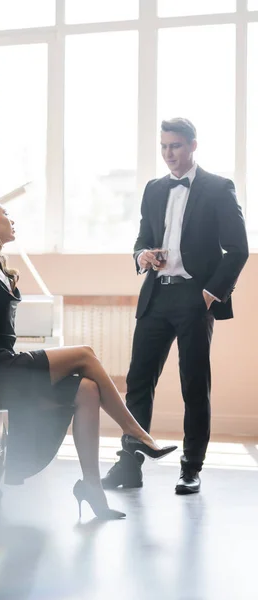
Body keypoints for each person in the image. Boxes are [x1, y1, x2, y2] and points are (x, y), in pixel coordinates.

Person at [0, 197, 177, 520]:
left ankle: (92, 490)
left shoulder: (1, 269)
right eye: (6, 214)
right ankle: (136, 433)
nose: (11, 219)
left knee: (87, 390)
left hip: (9, 363)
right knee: (85, 354)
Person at [102, 118, 249, 495]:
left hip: (194, 299)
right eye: (164, 146)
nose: (169, 154)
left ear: (193, 146)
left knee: (193, 385)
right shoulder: (153, 189)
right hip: (156, 294)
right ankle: (130, 464)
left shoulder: (218, 188)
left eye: (177, 146)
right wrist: (143, 256)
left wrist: (209, 294)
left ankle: (191, 468)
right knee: (138, 381)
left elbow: (238, 249)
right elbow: (141, 240)